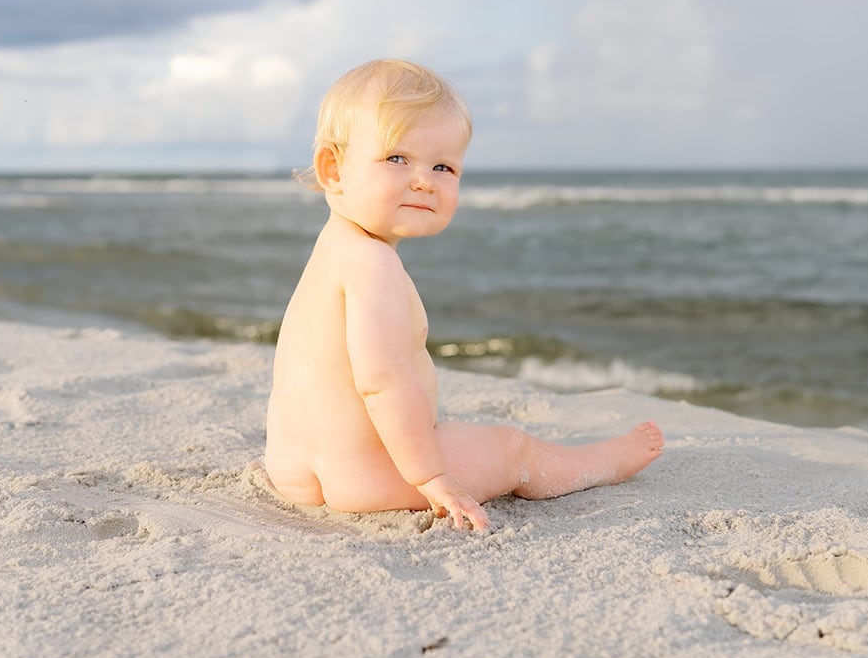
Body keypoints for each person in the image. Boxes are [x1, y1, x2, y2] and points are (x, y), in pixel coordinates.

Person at [264, 59, 664, 531]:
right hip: (368, 475)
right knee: (511, 448)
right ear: (333, 169)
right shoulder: (375, 266)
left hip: (293, 470)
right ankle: (601, 463)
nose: (423, 180)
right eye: (397, 158)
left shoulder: (334, 249)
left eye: (443, 166)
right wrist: (432, 475)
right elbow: (383, 383)